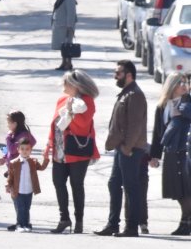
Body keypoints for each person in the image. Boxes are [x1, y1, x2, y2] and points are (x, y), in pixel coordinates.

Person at [95, 60, 148, 237]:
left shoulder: (135, 94)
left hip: (130, 149)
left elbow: (135, 125)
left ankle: (132, 227)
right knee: (114, 183)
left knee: (131, 186)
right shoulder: (126, 93)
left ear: (129, 75)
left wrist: (127, 147)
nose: (115, 75)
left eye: (118, 73)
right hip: (122, 148)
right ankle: (113, 225)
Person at [45, 69, 100, 234]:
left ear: (76, 86)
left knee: (77, 185)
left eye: (66, 82)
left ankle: (79, 221)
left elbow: (82, 125)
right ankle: (64, 218)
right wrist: (48, 144)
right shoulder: (62, 99)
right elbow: (55, 123)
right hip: (60, 150)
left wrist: (70, 111)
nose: (63, 85)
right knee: (58, 182)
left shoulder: (87, 102)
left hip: (77, 151)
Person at [149, 72, 191, 235]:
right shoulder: (162, 106)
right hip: (171, 151)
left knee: (186, 189)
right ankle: (186, 221)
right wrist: (154, 155)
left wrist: (183, 110)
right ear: (171, 85)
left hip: (185, 152)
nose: (184, 85)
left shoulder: (187, 102)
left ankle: (186, 222)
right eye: (180, 82)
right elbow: (158, 133)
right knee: (176, 191)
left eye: (186, 82)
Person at [4, 139, 50, 232]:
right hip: (18, 190)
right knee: (20, 208)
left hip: (29, 190)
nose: (25, 151)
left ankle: (26, 224)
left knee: (27, 208)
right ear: (18, 150)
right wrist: (8, 186)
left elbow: (42, 167)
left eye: (27, 149)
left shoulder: (33, 161)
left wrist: (46, 159)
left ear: (30, 150)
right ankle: (19, 225)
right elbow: (10, 176)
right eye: (22, 149)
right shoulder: (14, 163)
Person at [51, 0, 78, 71]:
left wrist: (69, 26)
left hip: (66, 27)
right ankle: (64, 62)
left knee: (68, 45)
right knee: (63, 46)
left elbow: (71, 13)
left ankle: (68, 63)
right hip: (60, 26)